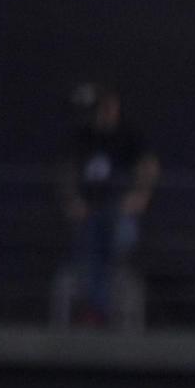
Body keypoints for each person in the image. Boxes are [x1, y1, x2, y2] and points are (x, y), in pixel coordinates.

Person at [60, 84, 157, 326]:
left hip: (119, 211)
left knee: (117, 241)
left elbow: (148, 166)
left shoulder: (128, 135)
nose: (105, 112)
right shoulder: (84, 136)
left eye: (109, 106)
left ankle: (106, 311)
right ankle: (98, 312)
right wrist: (73, 200)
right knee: (90, 249)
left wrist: (140, 196)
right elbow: (68, 171)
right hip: (90, 211)